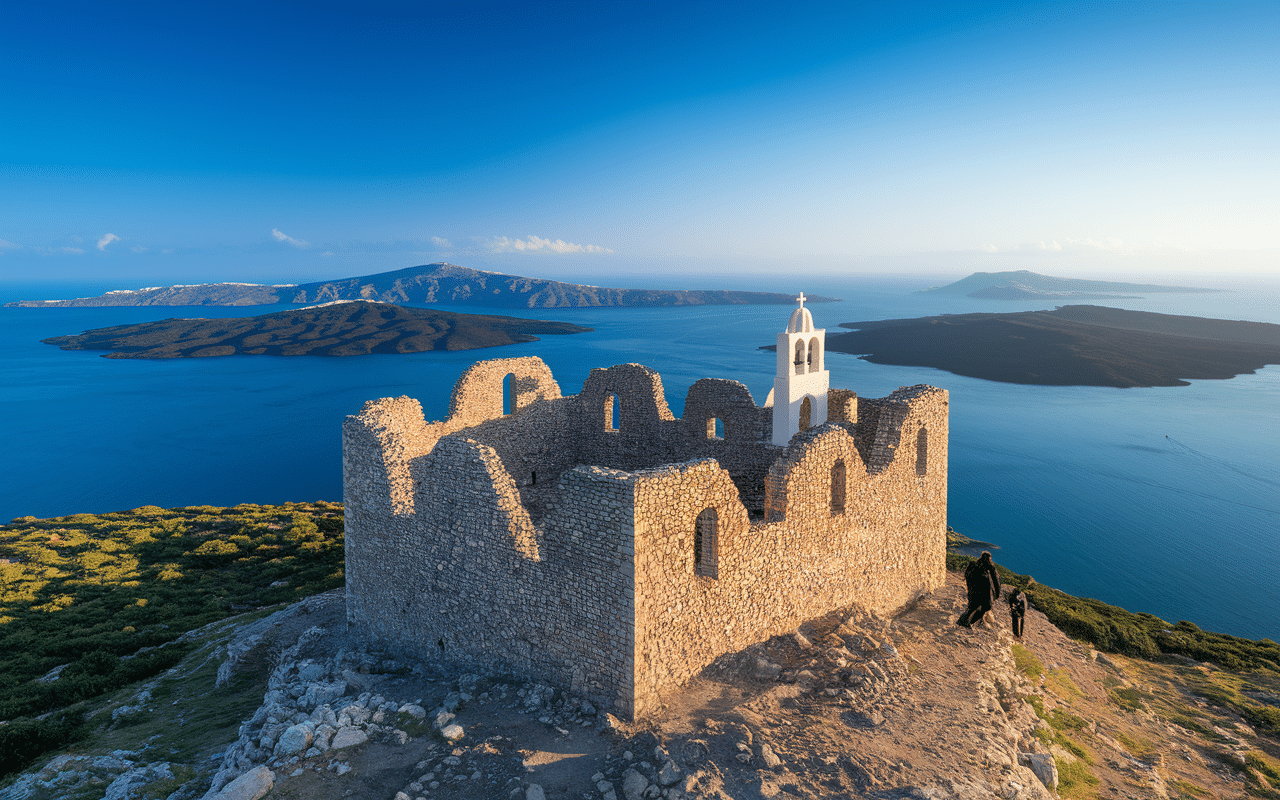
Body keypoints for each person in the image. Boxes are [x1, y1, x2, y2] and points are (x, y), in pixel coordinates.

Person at [959, 551, 1001, 628]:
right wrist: (997, 594)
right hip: (984, 592)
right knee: (985, 607)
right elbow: (996, 581)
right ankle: (968, 622)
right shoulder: (990, 567)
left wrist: (970, 588)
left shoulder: (973, 565)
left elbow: (967, 577)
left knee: (972, 607)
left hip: (973, 590)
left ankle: (964, 621)